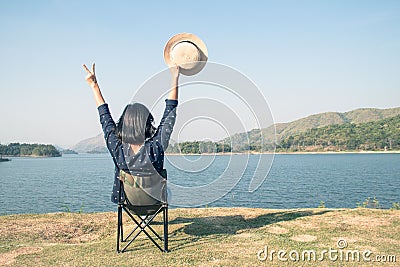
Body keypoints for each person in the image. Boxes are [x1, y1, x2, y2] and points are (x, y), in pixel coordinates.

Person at [83, 63, 179, 204]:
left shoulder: (117, 148)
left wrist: (94, 86)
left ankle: (139, 219)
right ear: (147, 124)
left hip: (127, 202)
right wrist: (175, 77)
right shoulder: (156, 147)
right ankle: (148, 217)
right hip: (155, 203)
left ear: (123, 124)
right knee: (167, 191)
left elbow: (105, 118)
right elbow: (169, 114)